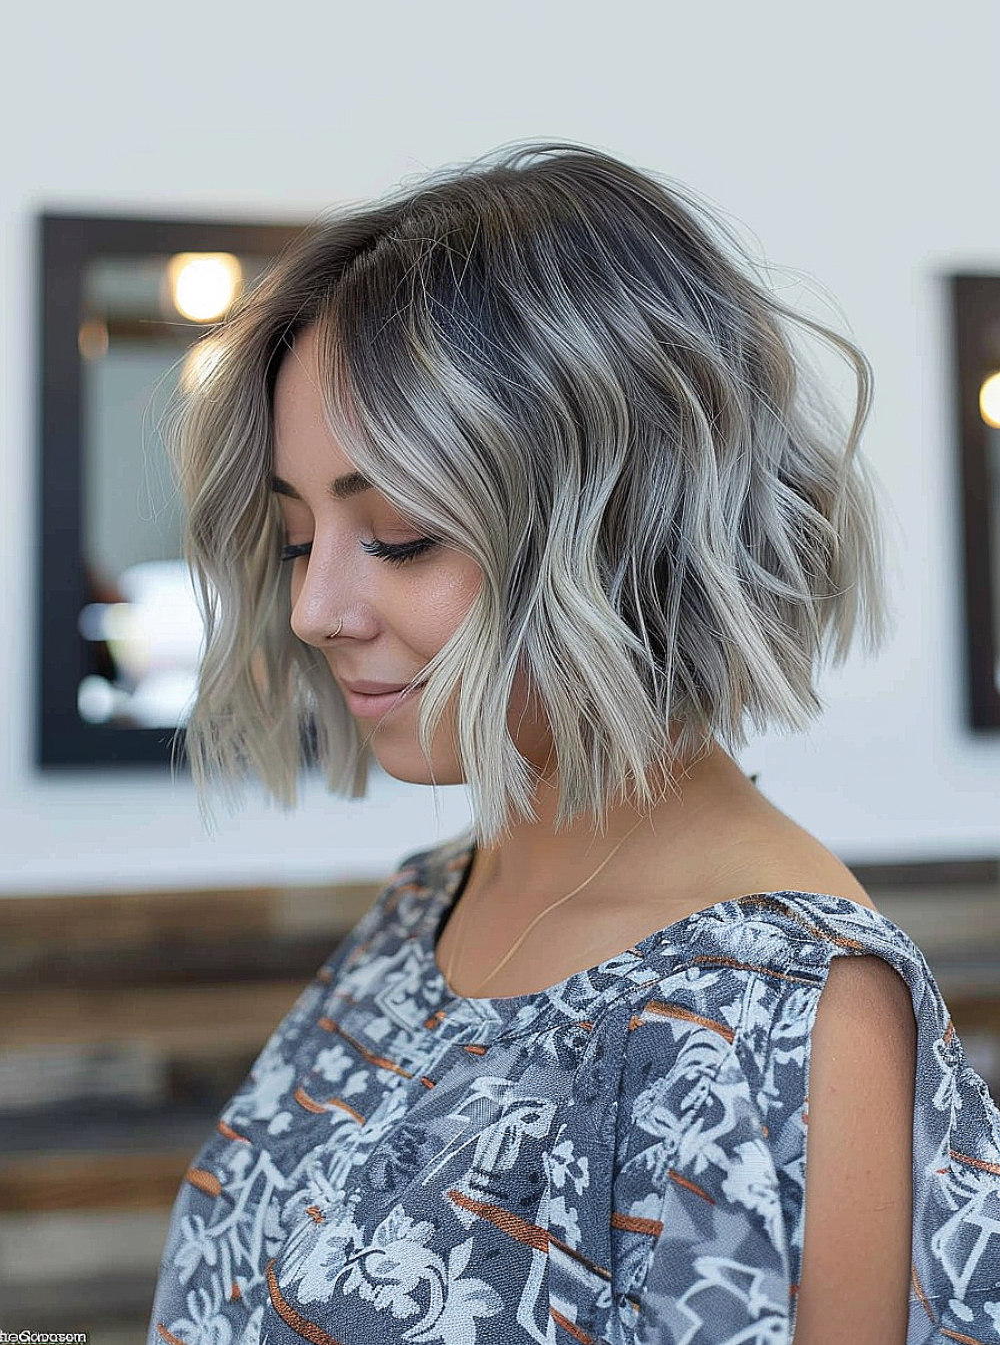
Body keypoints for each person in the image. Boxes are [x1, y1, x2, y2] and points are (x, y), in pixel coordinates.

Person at [148, 141, 1000, 1344]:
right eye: (297, 540)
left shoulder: (784, 1026)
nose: (312, 610)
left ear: (624, 529)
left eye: (397, 535)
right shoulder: (431, 900)